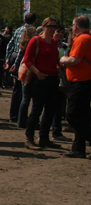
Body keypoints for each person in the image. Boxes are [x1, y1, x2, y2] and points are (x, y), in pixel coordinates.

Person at [22, 17, 62, 150]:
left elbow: (55, 59)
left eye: (54, 26)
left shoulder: (55, 42)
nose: (52, 29)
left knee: (50, 110)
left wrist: (58, 67)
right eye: (50, 26)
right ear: (44, 26)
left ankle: (44, 138)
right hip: (39, 79)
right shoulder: (36, 40)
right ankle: (29, 137)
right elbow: (27, 59)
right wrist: (37, 72)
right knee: (36, 109)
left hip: (52, 78)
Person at [61, 15, 91, 159]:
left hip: (80, 81)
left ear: (76, 26)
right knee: (83, 115)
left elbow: (75, 60)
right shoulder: (88, 38)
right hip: (85, 80)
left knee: (72, 115)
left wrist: (63, 59)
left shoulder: (81, 39)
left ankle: (83, 144)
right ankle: (78, 148)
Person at [6, 13, 37, 123]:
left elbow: (10, 45)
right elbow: (22, 50)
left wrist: (8, 60)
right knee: (26, 93)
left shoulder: (18, 30)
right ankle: (21, 117)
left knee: (17, 90)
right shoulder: (33, 32)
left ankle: (13, 115)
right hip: (25, 62)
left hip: (16, 60)